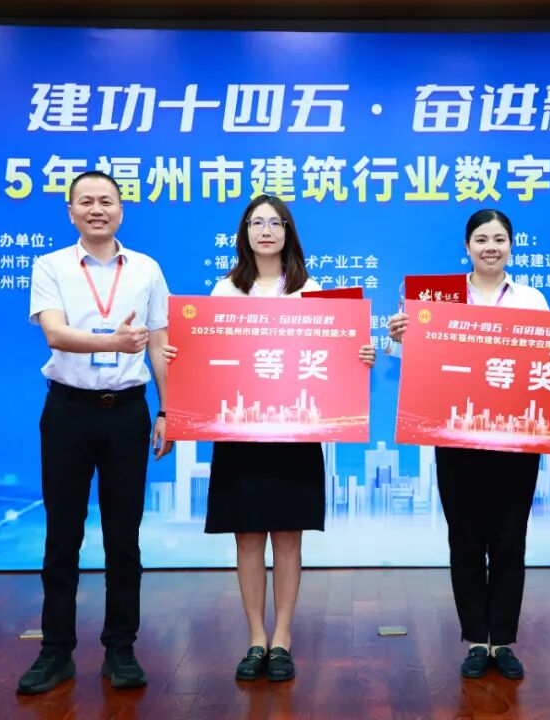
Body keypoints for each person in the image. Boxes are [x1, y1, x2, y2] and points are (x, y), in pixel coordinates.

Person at [164, 195, 375, 682]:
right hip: (240, 433)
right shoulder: (224, 290)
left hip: (295, 434)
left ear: (287, 232)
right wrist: (182, 352)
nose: (265, 231)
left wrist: (360, 354)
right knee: (247, 535)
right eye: (256, 222)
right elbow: (206, 356)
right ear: (244, 233)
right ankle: (255, 637)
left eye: (274, 223)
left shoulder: (312, 291)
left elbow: (336, 356)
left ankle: (282, 637)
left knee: (287, 535)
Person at [17, 171, 174, 694]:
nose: (96, 209)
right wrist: (115, 341)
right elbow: (55, 333)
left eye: (106, 200)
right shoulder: (51, 266)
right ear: (71, 212)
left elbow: (159, 342)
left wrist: (168, 410)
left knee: (124, 538)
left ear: (121, 210)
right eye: (85, 201)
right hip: (69, 411)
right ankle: (56, 651)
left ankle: (121, 649)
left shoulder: (147, 268)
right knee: (62, 535)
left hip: (127, 412)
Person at [386, 209, 548, 680]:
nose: (490, 247)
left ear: (511, 246)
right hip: (456, 434)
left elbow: (546, 359)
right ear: (467, 246)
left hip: (516, 437)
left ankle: (504, 642)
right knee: (466, 538)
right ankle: (477, 640)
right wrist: (399, 337)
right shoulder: (439, 298)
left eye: (499, 239)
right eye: (481, 239)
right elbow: (413, 359)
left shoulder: (531, 299)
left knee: (510, 539)